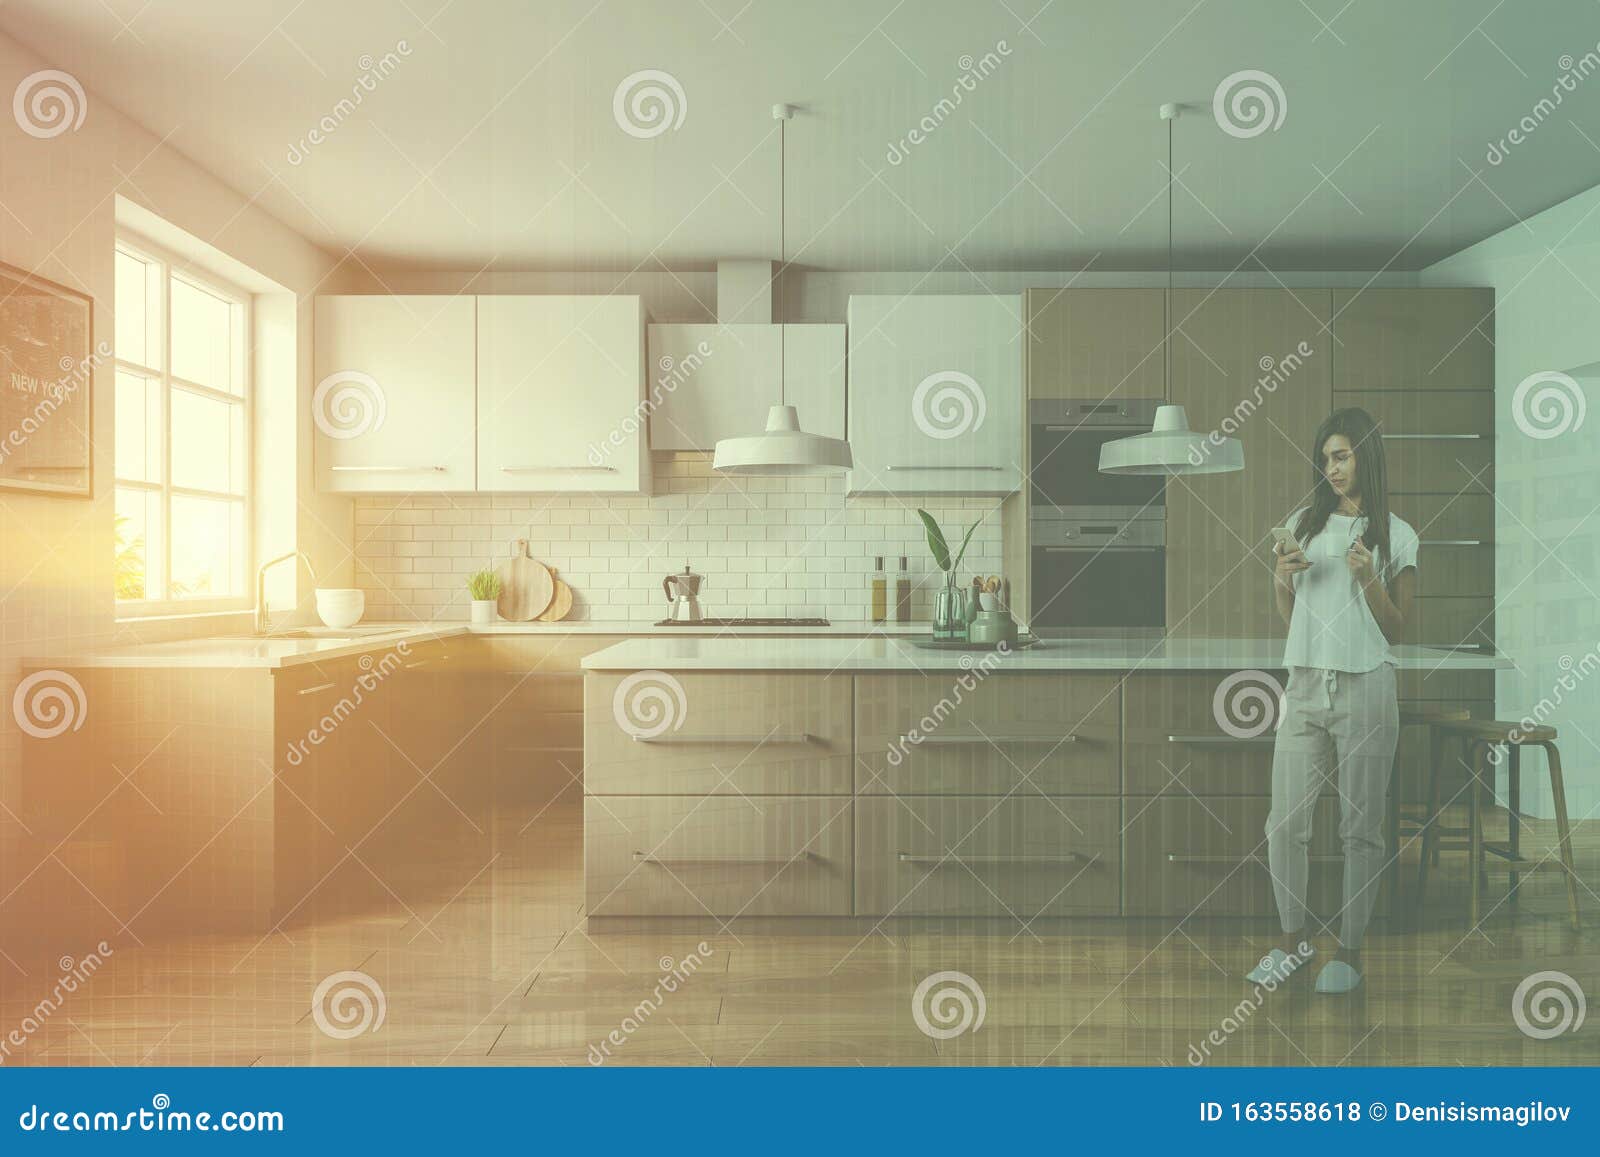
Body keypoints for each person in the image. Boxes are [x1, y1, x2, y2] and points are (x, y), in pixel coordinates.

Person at [1247, 407, 1418, 994]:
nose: (1332, 467)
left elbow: (1396, 629)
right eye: (1325, 459)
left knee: (1359, 829)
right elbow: (1292, 617)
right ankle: (1293, 943)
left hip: (1367, 687)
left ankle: (1349, 951)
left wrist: (1369, 576)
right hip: (1304, 687)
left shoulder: (1397, 534)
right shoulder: (1303, 523)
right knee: (1284, 823)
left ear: (1365, 457)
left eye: (1341, 456)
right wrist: (1280, 578)